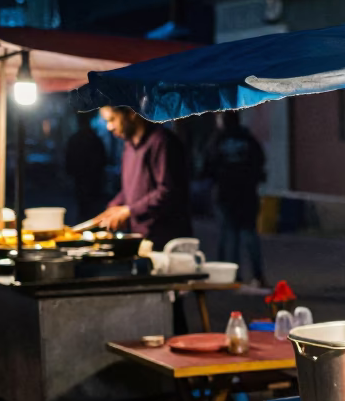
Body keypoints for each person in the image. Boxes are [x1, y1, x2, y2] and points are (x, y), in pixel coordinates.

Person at [92, 106, 192, 249]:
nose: (109, 127)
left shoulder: (162, 142)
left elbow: (167, 192)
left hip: (167, 243)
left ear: (132, 113)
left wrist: (128, 211)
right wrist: (114, 207)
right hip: (141, 240)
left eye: (113, 119)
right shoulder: (129, 147)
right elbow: (130, 190)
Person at [203, 110, 266, 284]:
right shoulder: (247, 139)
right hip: (247, 194)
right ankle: (257, 275)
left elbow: (208, 166)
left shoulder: (218, 140)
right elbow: (260, 160)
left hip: (226, 195)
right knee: (249, 234)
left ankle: (231, 276)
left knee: (230, 235)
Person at [65, 113, 108, 223]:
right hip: (86, 180)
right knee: (86, 209)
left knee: (90, 209)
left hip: (90, 180)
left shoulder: (85, 139)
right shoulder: (92, 138)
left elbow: (102, 160)